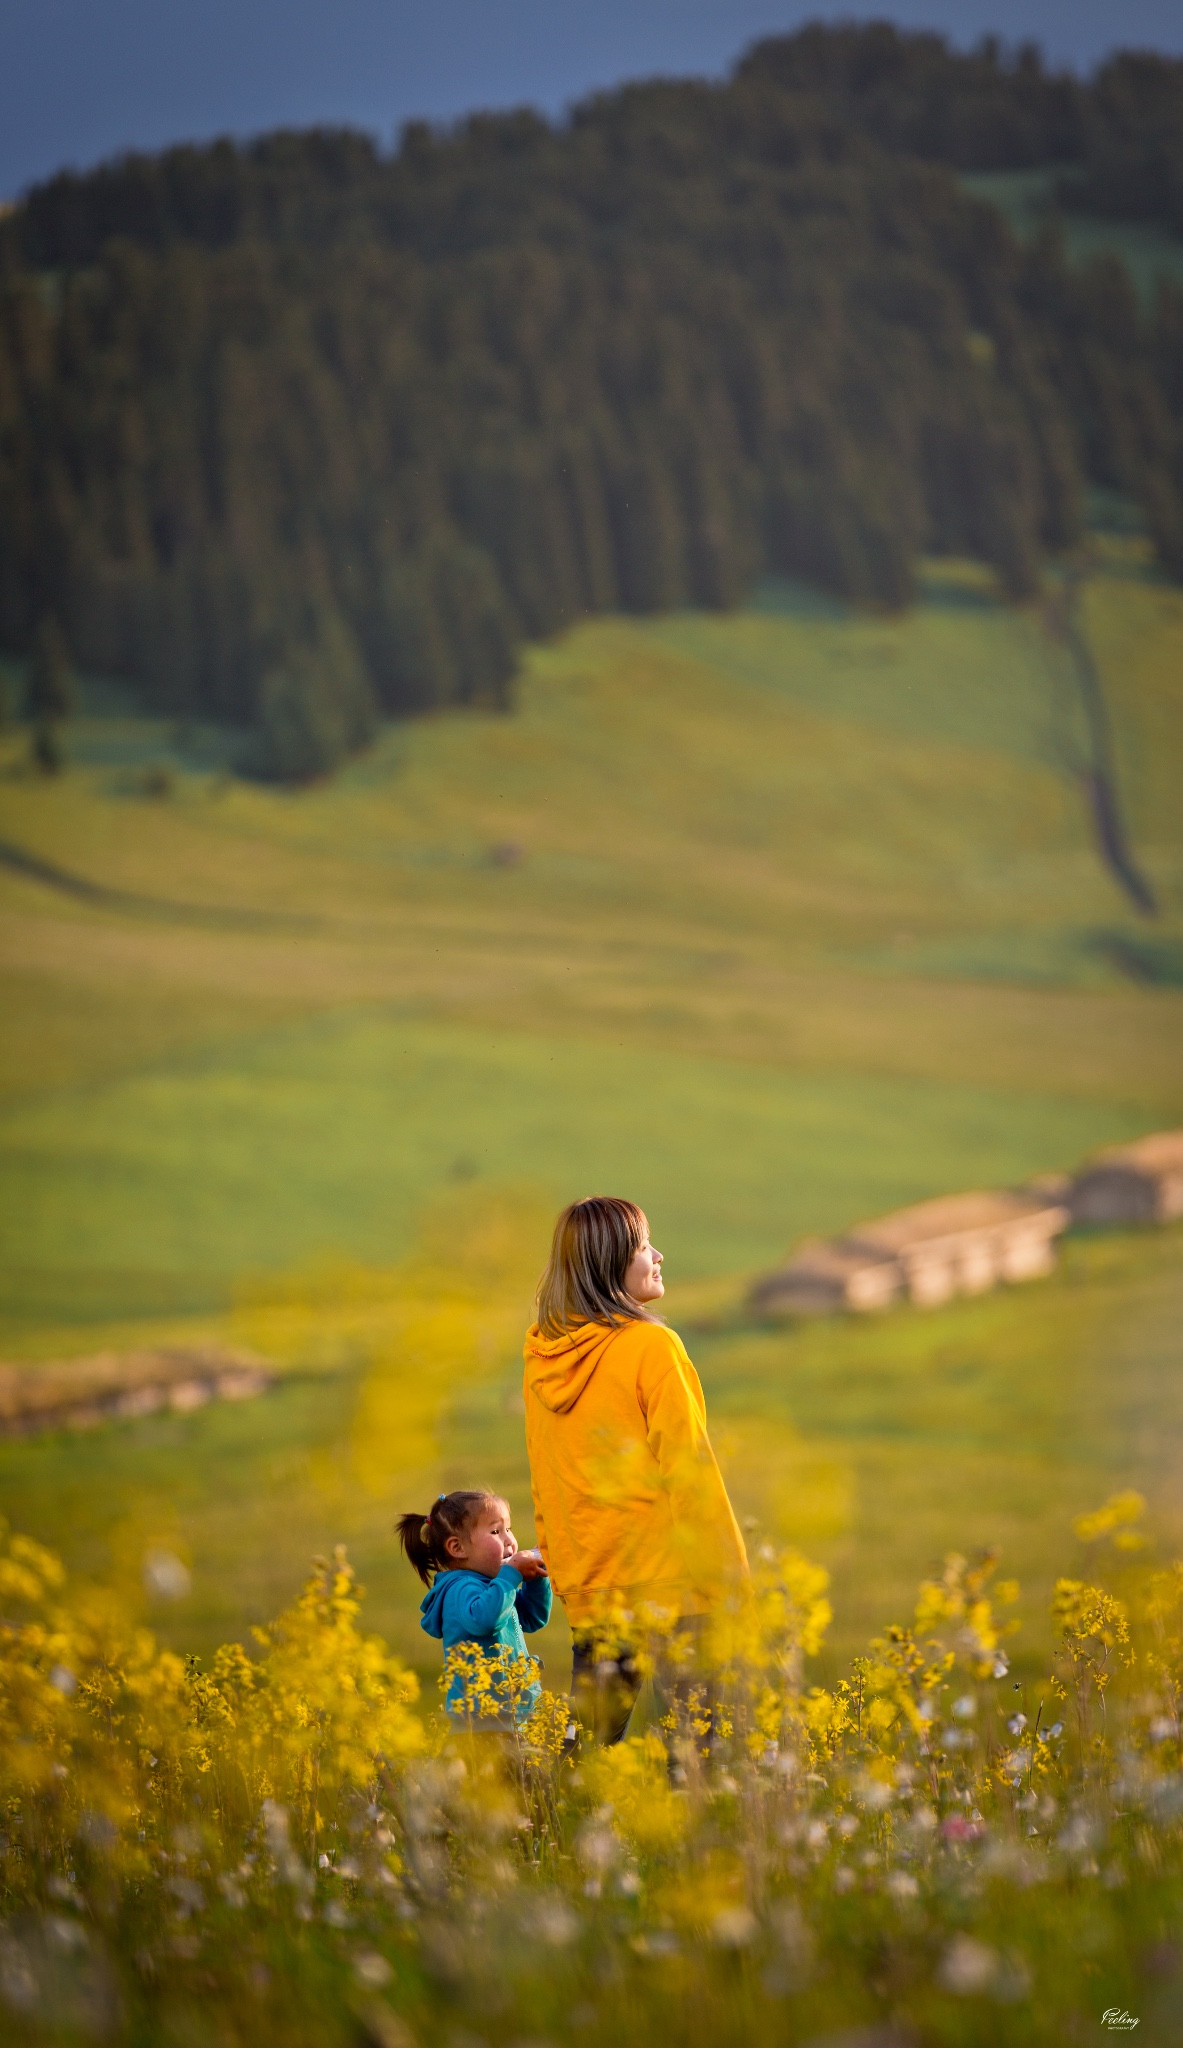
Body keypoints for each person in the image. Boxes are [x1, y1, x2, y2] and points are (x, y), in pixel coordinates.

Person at [523, 1196, 748, 1744]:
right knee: (699, 1762)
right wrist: (732, 1578)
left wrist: (563, 1567)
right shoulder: (652, 1345)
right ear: (611, 1261)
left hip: (595, 1589)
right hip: (676, 1589)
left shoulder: (542, 1359)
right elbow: (690, 1470)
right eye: (645, 1245)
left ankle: (534, 1831)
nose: (659, 1255)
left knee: (584, 1760)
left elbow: (546, 1476)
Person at [397, 1490, 552, 1726]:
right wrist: (511, 1575)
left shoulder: (495, 1587)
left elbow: (532, 1617)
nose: (509, 1540)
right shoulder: (460, 1589)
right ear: (458, 1548)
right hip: (482, 1723)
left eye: (508, 1529)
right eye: (495, 1531)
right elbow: (484, 1620)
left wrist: (536, 1577)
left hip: (512, 1715)